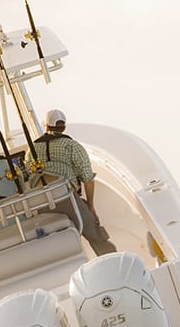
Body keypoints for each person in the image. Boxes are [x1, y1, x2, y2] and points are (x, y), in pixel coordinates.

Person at [26, 109, 116, 255]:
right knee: (95, 233)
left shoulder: (31, 150)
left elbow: (29, 177)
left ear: (46, 126)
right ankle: (111, 259)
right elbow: (87, 178)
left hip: (41, 203)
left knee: (53, 245)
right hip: (66, 196)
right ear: (64, 127)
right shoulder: (73, 146)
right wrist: (91, 208)